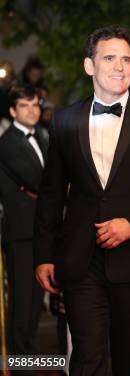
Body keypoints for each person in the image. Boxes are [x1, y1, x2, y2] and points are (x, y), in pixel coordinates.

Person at [33, 25, 130, 376]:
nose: (120, 66)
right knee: (87, 358)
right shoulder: (64, 119)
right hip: (80, 259)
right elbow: (51, 192)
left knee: (127, 362)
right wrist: (45, 254)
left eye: (126, 59)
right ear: (89, 66)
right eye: (109, 58)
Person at [0, 85, 47, 359]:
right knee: (22, 304)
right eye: (24, 106)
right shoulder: (7, 143)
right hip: (21, 234)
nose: (31, 110)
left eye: (35, 104)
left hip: (39, 230)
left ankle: (27, 360)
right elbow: (40, 180)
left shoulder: (41, 135)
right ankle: (21, 366)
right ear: (12, 111)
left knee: (33, 305)